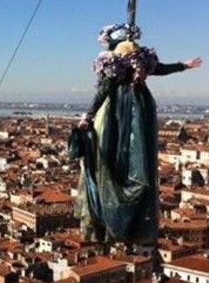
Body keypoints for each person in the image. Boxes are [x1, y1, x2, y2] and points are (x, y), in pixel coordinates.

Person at [73, 22, 202, 251]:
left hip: (117, 113)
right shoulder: (138, 62)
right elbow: (160, 69)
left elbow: (102, 91)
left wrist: (87, 117)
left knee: (111, 150)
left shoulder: (114, 63)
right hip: (139, 109)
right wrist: (184, 65)